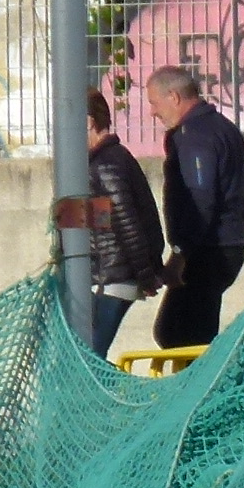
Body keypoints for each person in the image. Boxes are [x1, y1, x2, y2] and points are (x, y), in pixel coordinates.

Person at [147, 65, 244, 350]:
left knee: (178, 334)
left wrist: (181, 253)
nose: (153, 112)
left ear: (173, 97)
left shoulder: (194, 136)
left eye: (154, 103)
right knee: (180, 332)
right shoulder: (221, 127)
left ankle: (204, 379)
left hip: (208, 250)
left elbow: (199, 198)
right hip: (226, 244)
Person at [82, 88, 166, 358]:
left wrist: (146, 275)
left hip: (111, 279)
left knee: (89, 356)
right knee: (88, 354)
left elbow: (127, 224)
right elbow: (100, 222)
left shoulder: (105, 164)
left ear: (88, 122)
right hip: (108, 277)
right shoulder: (106, 161)